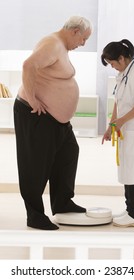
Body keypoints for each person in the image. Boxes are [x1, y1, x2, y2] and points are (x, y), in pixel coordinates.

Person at [13, 16, 92, 230]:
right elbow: (28, 65)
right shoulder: (52, 44)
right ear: (75, 31)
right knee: (35, 164)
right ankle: (35, 214)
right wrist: (32, 99)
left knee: (68, 153)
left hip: (55, 120)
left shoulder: (61, 47)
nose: (83, 44)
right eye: (83, 38)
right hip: (36, 114)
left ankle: (62, 202)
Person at [101, 39, 134, 227]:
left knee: (133, 171)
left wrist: (121, 121)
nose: (113, 67)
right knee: (127, 170)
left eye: (113, 63)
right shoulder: (125, 73)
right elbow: (119, 100)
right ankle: (129, 209)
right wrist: (112, 125)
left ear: (122, 58)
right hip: (126, 130)